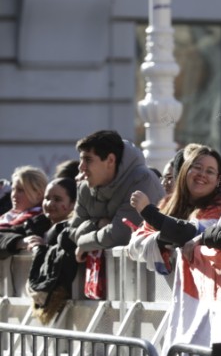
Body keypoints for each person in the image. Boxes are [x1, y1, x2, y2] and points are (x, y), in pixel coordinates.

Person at [128, 146, 221, 273]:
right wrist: (160, 239)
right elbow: (135, 243)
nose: (202, 174)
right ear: (185, 170)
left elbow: (190, 232)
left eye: (210, 172)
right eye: (197, 167)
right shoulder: (167, 203)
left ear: (218, 180)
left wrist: (148, 212)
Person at [68, 130, 164, 262]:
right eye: (81, 159)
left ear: (110, 160)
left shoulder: (141, 179)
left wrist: (83, 243)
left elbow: (120, 235)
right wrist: (97, 223)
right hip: (108, 278)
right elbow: (72, 233)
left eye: (88, 160)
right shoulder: (85, 187)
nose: (81, 167)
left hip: (149, 275)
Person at [26, 177, 79, 324]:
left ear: (73, 204)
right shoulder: (34, 225)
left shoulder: (73, 231)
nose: (49, 204)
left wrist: (46, 246)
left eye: (57, 199)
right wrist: (21, 242)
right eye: (47, 198)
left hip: (73, 313)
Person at [0, 166, 50, 257]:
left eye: (20, 190)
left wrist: (18, 242)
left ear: (38, 194)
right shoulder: (9, 216)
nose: (14, 195)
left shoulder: (40, 220)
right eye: (13, 189)